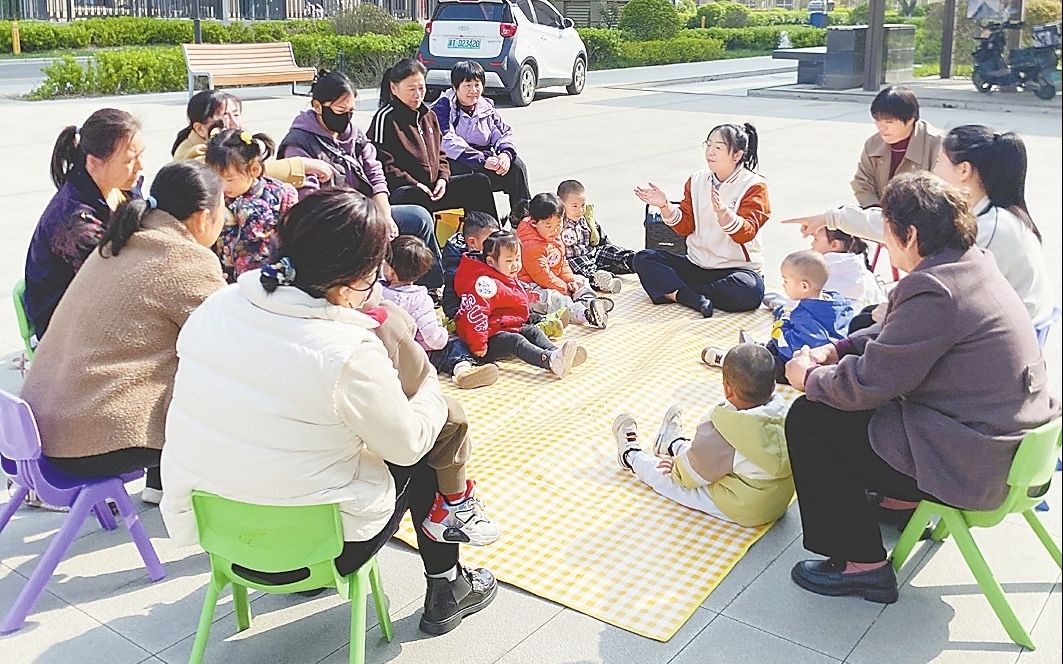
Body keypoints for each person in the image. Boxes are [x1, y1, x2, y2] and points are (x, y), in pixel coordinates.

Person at [161, 189, 498, 635]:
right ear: (345, 284)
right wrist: (431, 390)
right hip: (321, 547)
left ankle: (313, 572)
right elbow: (406, 442)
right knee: (428, 440)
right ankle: (447, 584)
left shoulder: (217, 307)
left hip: (221, 538)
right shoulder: (345, 349)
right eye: (372, 277)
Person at [781, 173, 1058, 604]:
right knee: (851, 403)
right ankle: (900, 503)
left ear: (909, 235)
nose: (884, 241)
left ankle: (861, 565)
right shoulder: (970, 263)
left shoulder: (935, 289)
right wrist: (837, 349)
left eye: (887, 230)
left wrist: (808, 377)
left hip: (974, 464)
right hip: (1005, 444)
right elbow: (898, 334)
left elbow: (867, 385)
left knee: (813, 418)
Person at [20, 161, 228, 504]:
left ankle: (160, 486)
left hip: (40, 432)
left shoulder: (121, 239)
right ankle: (206, 508)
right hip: (85, 444)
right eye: (224, 211)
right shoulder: (185, 259)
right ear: (203, 217)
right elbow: (229, 341)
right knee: (220, 386)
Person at [784, 125, 1054, 330]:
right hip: (980, 320)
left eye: (938, 163)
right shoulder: (975, 212)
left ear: (964, 170)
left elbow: (942, 290)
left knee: (866, 328)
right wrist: (832, 218)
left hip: (992, 338)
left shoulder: (991, 229)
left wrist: (894, 310)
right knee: (868, 319)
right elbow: (898, 227)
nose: (933, 171)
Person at [278, 70, 444, 290]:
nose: (346, 118)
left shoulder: (354, 134)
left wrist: (385, 216)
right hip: (333, 223)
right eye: (340, 111)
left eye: (351, 111)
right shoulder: (299, 143)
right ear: (317, 106)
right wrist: (365, 219)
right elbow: (309, 201)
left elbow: (375, 174)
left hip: (367, 211)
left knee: (418, 217)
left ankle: (428, 287)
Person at [613, 344, 793, 527]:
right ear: (773, 385)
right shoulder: (785, 413)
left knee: (669, 479)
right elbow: (712, 457)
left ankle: (631, 456)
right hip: (777, 500)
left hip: (747, 507)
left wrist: (677, 470)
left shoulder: (723, 431)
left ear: (727, 389)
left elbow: (694, 473)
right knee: (712, 456)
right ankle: (672, 444)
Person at [24, 108, 144, 339]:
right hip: (65, 327)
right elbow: (117, 282)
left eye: (141, 155)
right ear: (94, 162)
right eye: (130, 160)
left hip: (103, 295)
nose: (140, 166)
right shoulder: (77, 222)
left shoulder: (122, 186)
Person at [633, 122, 770, 317]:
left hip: (735, 270)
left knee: (750, 291)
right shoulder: (697, 179)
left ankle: (679, 291)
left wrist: (724, 214)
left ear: (737, 155)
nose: (710, 152)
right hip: (696, 265)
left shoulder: (754, 185)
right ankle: (688, 297)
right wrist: (665, 206)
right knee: (644, 258)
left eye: (718, 147)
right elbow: (685, 226)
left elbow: (746, 233)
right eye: (708, 144)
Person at [369, 59, 498, 220]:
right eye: (411, 89)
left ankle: (489, 233)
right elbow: (382, 165)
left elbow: (441, 155)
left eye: (421, 88)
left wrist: (443, 179)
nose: (417, 94)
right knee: (415, 195)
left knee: (478, 183)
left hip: (435, 188)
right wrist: (416, 184)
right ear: (394, 88)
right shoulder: (385, 119)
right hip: (405, 190)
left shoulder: (429, 115)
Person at [703, 251, 853, 383]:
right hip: (829, 355)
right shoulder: (836, 301)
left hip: (805, 363)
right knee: (774, 345)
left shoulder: (805, 318)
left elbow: (792, 349)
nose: (783, 285)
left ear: (804, 286)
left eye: (786, 281)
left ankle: (733, 361)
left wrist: (783, 322)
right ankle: (761, 350)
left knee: (769, 368)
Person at [454, 231, 586, 379]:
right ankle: (549, 360)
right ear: (491, 262)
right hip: (486, 339)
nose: (515, 265)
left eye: (517, 259)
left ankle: (558, 353)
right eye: (509, 261)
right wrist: (478, 344)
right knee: (516, 341)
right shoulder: (484, 284)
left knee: (533, 331)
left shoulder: (503, 274)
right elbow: (476, 314)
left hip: (505, 326)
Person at [171, 89, 336, 188]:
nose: (235, 123)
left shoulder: (224, 143)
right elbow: (236, 172)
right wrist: (300, 165)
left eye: (236, 114)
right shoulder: (193, 155)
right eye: (225, 117)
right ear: (200, 128)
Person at [431, 61, 531, 217]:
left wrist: (505, 155)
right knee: (478, 180)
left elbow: (503, 133)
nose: (473, 90)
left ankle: (522, 218)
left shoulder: (486, 107)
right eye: (467, 85)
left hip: (484, 160)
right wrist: (482, 160)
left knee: (517, 167)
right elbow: (447, 141)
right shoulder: (443, 107)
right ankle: (487, 224)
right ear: (455, 87)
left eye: (477, 85)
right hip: (456, 163)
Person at [204, 128, 298, 283]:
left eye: (229, 179)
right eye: (216, 179)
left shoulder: (281, 195)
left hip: (267, 278)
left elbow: (293, 238)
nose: (222, 186)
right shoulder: (213, 198)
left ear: (254, 169)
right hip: (227, 279)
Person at [514, 193, 611, 329]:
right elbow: (542, 276)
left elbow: (562, 261)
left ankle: (590, 302)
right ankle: (584, 314)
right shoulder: (530, 245)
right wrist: (564, 288)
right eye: (548, 226)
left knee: (580, 280)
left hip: (553, 279)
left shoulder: (551, 235)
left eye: (558, 225)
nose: (555, 230)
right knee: (552, 298)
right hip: (531, 284)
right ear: (534, 223)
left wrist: (569, 280)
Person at [851, 85, 942, 208]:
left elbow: (940, 193)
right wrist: (875, 212)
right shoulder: (872, 145)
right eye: (877, 120)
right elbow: (862, 183)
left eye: (889, 122)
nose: (881, 127)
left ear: (910, 120)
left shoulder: (937, 145)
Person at [557, 179, 635, 294]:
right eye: (574, 206)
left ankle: (638, 262)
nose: (580, 210)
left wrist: (610, 251)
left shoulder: (586, 219)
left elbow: (601, 238)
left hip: (593, 254)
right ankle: (603, 281)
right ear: (561, 204)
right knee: (584, 271)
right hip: (573, 260)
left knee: (614, 253)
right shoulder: (557, 223)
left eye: (582, 205)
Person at [381, 236, 450, 352]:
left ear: (390, 270)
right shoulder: (421, 300)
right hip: (402, 354)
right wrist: (443, 333)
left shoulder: (375, 291)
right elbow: (434, 340)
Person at [811, 227, 885, 311]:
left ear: (835, 245)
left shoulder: (816, 275)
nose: (812, 244)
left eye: (815, 239)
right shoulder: (865, 274)